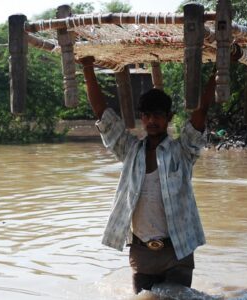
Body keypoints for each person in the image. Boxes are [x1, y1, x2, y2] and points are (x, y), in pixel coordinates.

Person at [79, 56, 216, 294]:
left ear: (169, 117)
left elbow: (201, 110)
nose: (152, 120)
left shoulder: (182, 151)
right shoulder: (129, 150)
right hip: (142, 253)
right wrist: (88, 68)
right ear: (141, 117)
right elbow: (102, 113)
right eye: (147, 115)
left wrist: (219, 69)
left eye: (158, 115)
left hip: (177, 251)